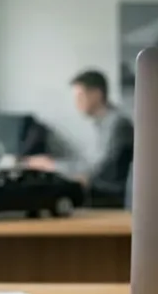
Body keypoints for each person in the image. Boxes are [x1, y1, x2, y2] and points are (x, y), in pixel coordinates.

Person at [25, 70, 135, 208]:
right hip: (100, 194)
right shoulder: (104, 123)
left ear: (96, 94)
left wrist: (53, 166)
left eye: (80, 96)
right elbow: (89, 165)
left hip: (108, 199)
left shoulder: (117, 124)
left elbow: (97, 171)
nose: (76, 103)